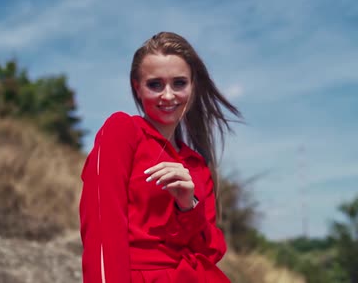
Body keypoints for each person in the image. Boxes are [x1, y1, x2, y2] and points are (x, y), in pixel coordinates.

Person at [79, 32, 241, 282]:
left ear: (193, 86)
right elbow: (102, 231)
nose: (168, 95)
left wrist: (188, 206)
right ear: (137, 87)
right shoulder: (122, 131)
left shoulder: (197, 165)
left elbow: (210, 251)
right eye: (155, 84)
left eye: (179, 83)